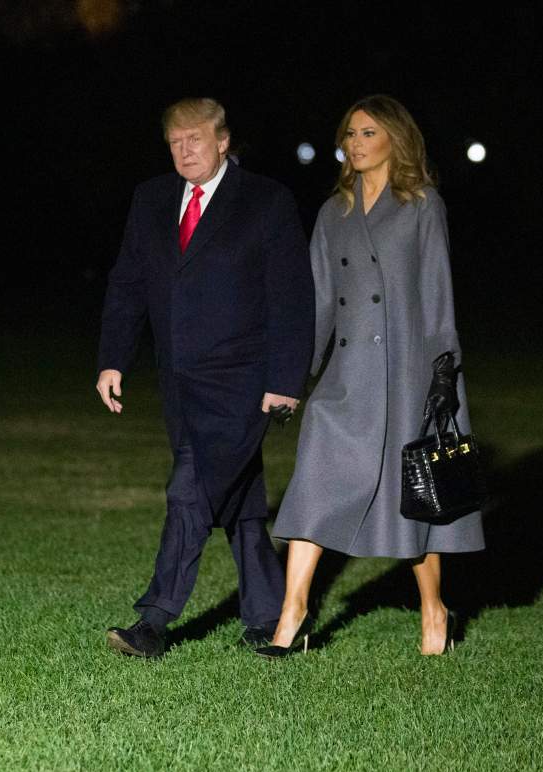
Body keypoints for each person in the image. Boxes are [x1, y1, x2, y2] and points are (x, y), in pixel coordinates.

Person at [260, 95, 485, 659]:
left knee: (415, 501)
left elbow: (438, 296)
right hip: (346, 377)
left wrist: (443, 372)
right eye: (350, 134)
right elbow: (317, 304)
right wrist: (291, 377)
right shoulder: (332, 212)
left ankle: (434, 612)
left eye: (367, 133)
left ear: (395, 139)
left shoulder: (422, 205)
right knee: (312, 483)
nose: (355, 144)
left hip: (409, 373)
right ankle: (293, 617)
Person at [97, 97, 315, 658]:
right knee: (238, 495)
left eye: (196, 139)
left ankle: (154, 621)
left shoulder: (266, 201)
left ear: (223, 142)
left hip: (243, 382)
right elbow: (128, 285)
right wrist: (113, 359)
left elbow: (291, 299)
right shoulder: (150, 200)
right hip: (179, 383)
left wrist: (286, 380)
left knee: (189, 490)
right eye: (174, 141)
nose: (184, 150)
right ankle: (268, 615)